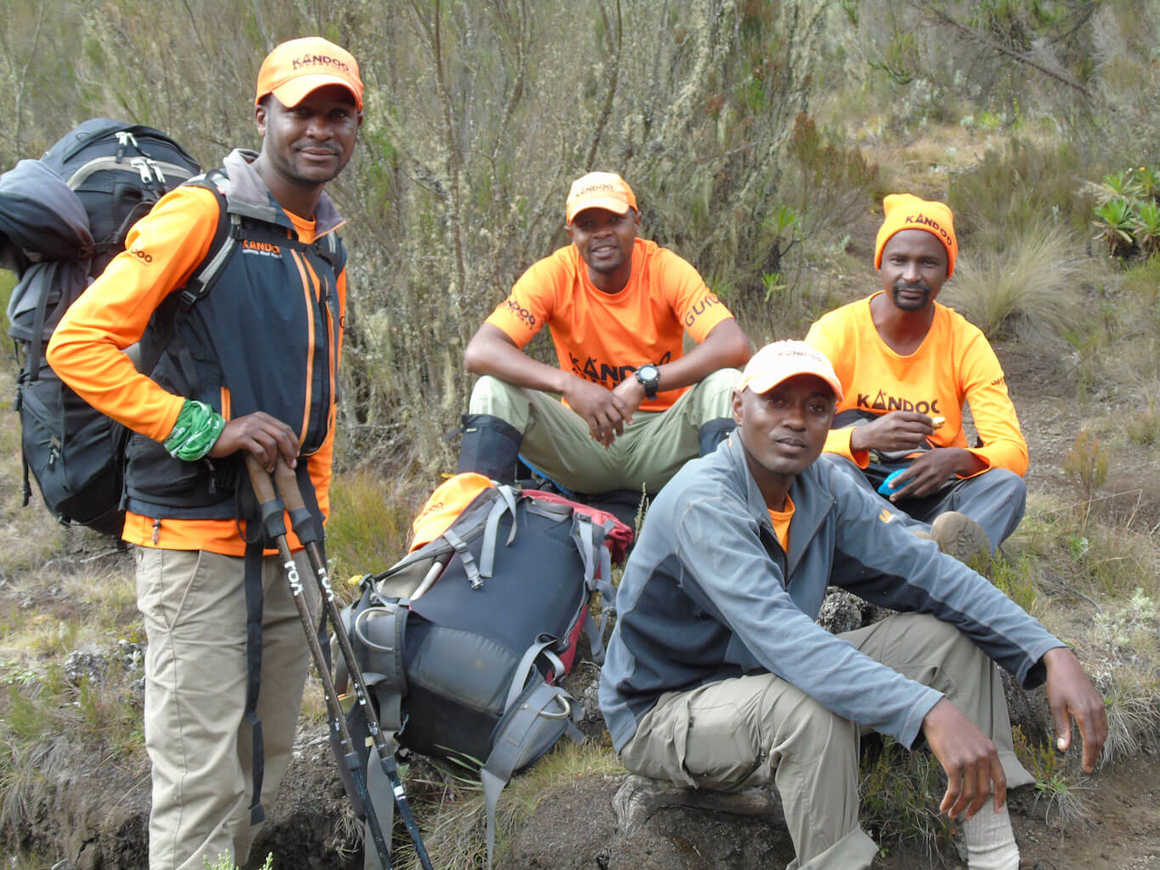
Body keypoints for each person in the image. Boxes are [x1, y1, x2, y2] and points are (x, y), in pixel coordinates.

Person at [599, 341, 1107, 870]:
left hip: (761, 677)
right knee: (806, 709)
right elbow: (784, 641)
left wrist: (1049, 651)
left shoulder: (825, 484)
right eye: (777, 402)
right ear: (738, 407)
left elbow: (929, 573)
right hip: (666, 708)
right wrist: (926, 709)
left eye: (816, 408)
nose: (796, 422)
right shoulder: (704, 502)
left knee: (949, 640)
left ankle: (992, 855)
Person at [46, 37, 363, 869]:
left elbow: (312, 409)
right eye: (302, 111)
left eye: (339, 113)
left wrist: (312, 525)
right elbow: (79, 344)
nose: (320, 129)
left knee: (268, 775)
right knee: (199, 787)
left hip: (284, 541)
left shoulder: (324, 242)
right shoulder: (203, 213)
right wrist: (202, 428)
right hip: (194, 548)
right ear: (263, 114)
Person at [458, 171, 751, 497]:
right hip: (584, 441)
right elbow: (480, 351)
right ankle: (474, 525)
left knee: (725, 385)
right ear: (571, 233)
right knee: (492, 389)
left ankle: (731, 522)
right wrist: (570, 384)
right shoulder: (553, 274)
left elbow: (733, 344)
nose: (602, 234)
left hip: (660, 440)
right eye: (587, 226)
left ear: (636, 222)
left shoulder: (665, 269)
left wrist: (645, 381)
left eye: (614, 220)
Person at [805, 194, 1027, 557]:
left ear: (947, 271)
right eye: (899, 260)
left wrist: (956, 460)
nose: (911, 275)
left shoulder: (966, 341)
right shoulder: (835, 332)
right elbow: (795, 430)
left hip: (935, 488)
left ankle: (933, 548)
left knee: (1007, 487)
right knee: (826, 468)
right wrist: (862, 437)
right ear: (880, 265)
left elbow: (1013, 451)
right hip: (858, 482)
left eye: (927, 263)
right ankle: (928, 552)